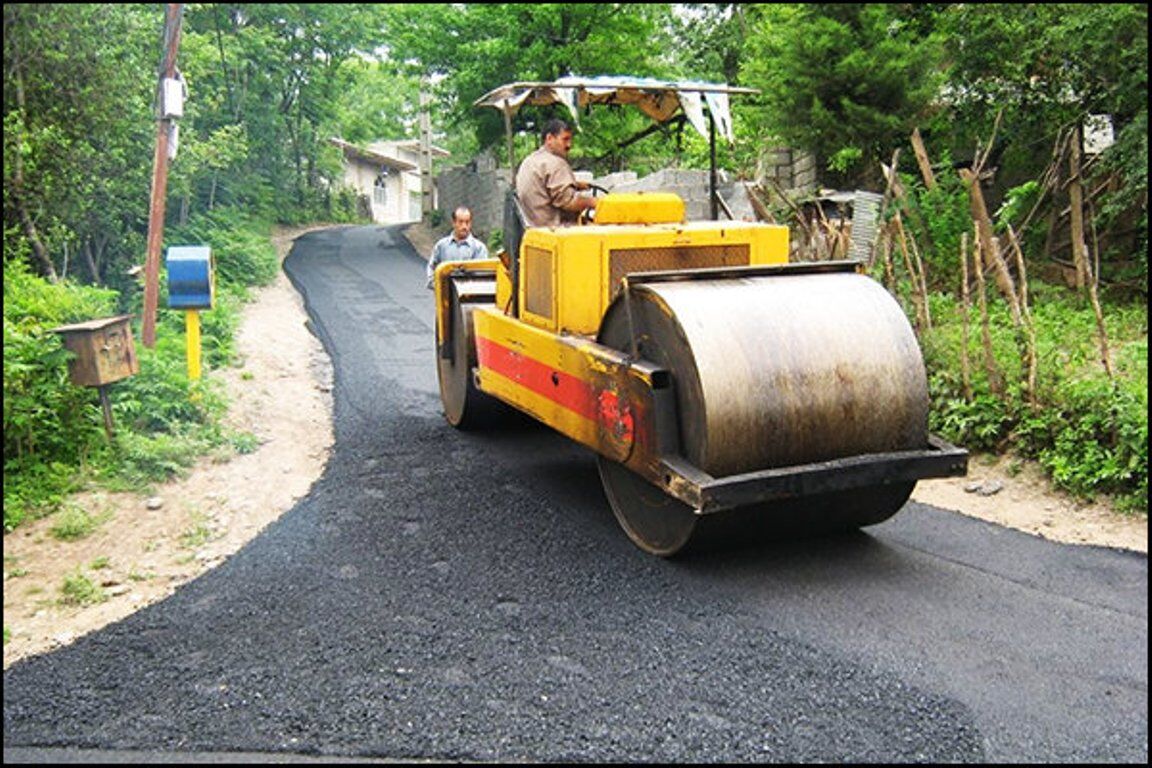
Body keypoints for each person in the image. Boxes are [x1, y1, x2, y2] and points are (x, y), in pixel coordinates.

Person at [514, 118, 597, 228]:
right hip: (557, 228)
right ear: (549, 139)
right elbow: (568, 202)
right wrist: (596, 202)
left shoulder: (530, 161)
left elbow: (545, 187)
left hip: (535, 226)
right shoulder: (556, 163)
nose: (569, 145)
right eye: (565, 139)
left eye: (570, 140)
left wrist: (576, 185)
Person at [426, 206, 489, 289]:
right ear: (454, 223)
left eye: (467, 222)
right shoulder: (441, 246)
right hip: (445, 297)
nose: (464, 226)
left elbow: (482, 274)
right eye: (461, 222)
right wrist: (436, 285)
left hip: (470, 297)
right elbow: (432, 267)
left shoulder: (479, 248)